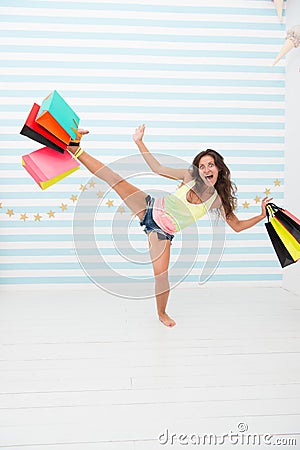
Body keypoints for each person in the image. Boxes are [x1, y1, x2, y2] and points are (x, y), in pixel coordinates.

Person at [68, 125, 272, 328]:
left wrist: (261, 215)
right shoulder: (189, 176)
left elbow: (236, 225)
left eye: (210, 165)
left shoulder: (218, 201)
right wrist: (139, 142)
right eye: (202, 166)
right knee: (115, 179)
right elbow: (157, 168)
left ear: (218, 168)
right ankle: (75, 148)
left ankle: (161, 313)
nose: (206, 169)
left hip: (162, 232)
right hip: (150, 206)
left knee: (162, 276)